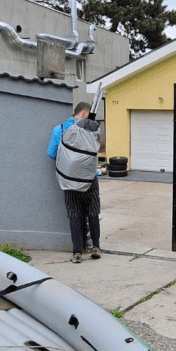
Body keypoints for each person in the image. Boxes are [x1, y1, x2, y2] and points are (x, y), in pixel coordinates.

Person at [48, 102, 102, 263]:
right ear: (85, 114)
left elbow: (51, 153)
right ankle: (96, 247)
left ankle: (77, 252)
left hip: (69, 180)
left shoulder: (60, 129)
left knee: (74, 214)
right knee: (93, 212)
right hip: (89, 179)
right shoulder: (91, 129)